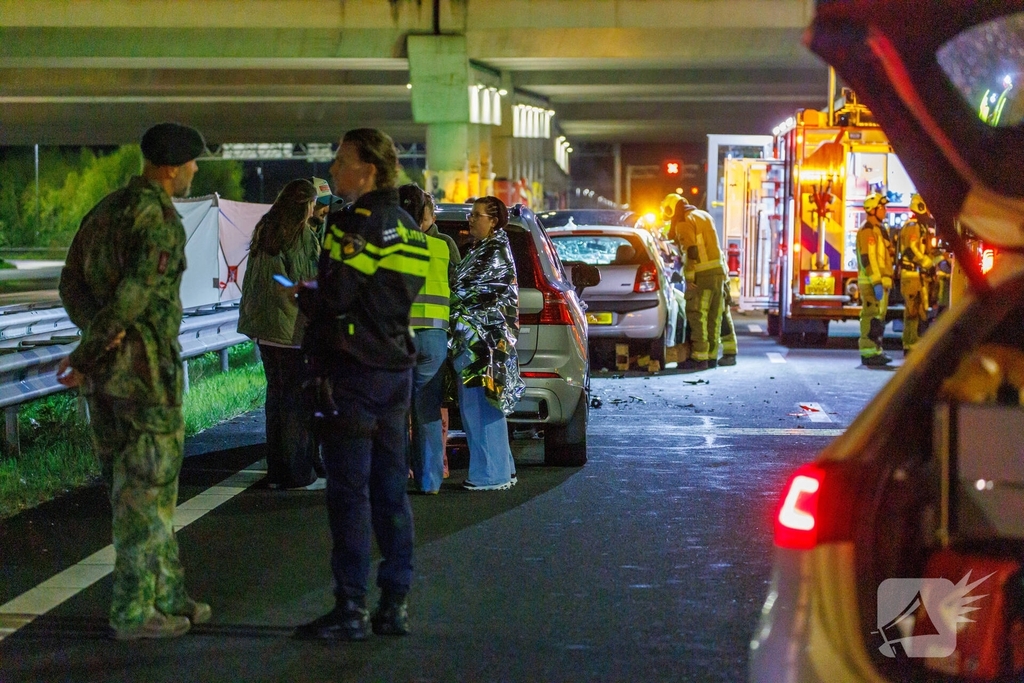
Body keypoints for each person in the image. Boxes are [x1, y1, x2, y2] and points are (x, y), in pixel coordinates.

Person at [56, 122, 210, 640]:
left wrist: (94, 337)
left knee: (138, 491)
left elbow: (70, 283)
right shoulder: (158, 219)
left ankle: (167, 592)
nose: (193, 171)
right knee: (146, 494)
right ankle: (134, 612)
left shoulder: (104, 211)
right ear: (169, 169)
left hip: (105, 384)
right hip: (146, 379)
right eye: (191, 164)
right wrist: (95, 345)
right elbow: (134, 295)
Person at [294, 128, 429, 641]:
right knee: (392, 491)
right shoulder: (409, 228)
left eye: (340, 160)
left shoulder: (359, 225)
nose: (332, 170)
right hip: (396, 369)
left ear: (367, 171)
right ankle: (394, 604)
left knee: (349, 494)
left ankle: (350, 608)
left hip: (354, 372)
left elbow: (336, 295)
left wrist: (305, 296)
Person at [238, 178, 324, 491]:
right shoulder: (300, 233)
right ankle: (298, 471)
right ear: (305, 205)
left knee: (276, 400)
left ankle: (276, 470)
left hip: (265, 329)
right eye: (313, 204)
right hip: (292, 329)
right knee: (297, 403)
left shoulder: (265, 228)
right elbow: (307, 279)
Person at [449, 196, 524, 491]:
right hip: (480, 343)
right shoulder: (484, 249)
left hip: (483, 344)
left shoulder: (493, 253)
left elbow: (462, 289)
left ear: (493, 221)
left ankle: (491, 475)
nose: (471, 219)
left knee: (481, 408)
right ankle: (501, 468)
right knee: (484, 407)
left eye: (477, 215)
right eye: (471, 214)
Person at [399, 185, 460, 494]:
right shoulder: (441, 247)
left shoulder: (394, 247)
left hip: (400, 337)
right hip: (435, 336)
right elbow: (458, 286)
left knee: (396, 410)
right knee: (427, 410)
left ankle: (395, 478)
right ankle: (431, 480)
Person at [665, 194, 727, 371]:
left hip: (701, 274)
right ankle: (712, 356)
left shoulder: (684, 222)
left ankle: (699, 359)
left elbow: (691, 251)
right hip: (717, 272)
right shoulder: (703, 215)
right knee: (713, 317)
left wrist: (689, 277)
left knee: (697, 315)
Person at [856, 192, 894, 366]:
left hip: (880, 282)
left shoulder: (879, 230)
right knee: (871, 317)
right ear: (873, 210)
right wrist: (877, 281)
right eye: (882, 207)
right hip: (871, 283)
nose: (885, 210)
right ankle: (869, 354)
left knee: (877, 319)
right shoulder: (868, 231)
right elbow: (868, 259)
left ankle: (876, 351)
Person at [897, 193, 935, 355]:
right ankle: (909, 345)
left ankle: (914, 343)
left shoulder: (919, 226)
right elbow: (912, 249)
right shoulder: (912, 226)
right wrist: (926, 262)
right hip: (911, 275)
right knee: (912, 312)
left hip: (916, 276)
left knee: (919, 311)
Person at [309, 176, 342, 241]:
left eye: (328, 204)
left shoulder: (327, 231)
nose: (327, 210)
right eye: (321, 204)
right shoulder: (291, 239)